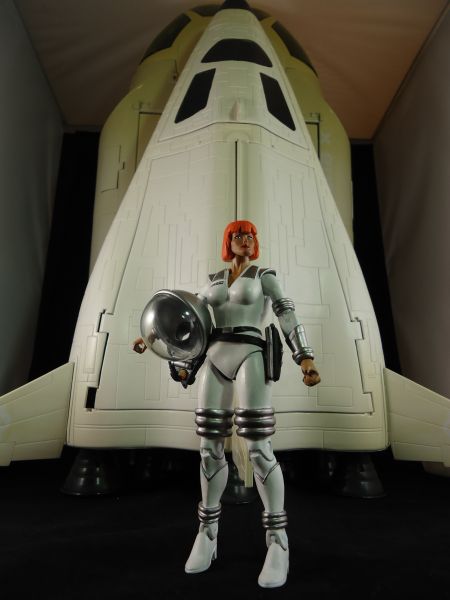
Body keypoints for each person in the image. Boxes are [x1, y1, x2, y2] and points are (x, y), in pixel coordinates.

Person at [134, 220, 320, 588]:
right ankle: (207, 534)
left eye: (250, 235)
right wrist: (149, 336)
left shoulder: (263, 276)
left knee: (259, 446)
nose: (245, 239)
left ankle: (278, 541)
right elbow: (185, 318)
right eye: (238, 235)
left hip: (251, 352)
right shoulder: (213, 282)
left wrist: (305, 356)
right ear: (228, 241)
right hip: (215, 356)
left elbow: (285, 311)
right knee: (208, 447)